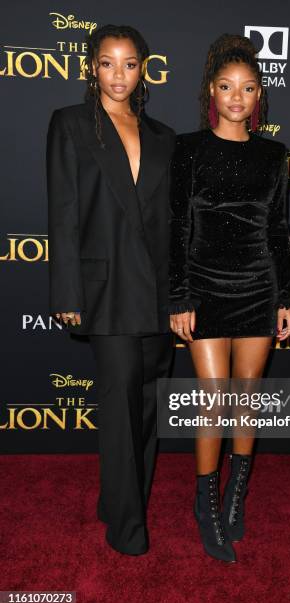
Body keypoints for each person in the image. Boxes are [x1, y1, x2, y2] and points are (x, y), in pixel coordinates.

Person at [168, 34, 290, 563]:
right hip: (203, 288)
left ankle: (235, 499)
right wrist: (179, 296)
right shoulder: (189, 149)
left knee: (246, 399)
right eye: (227, 87)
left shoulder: (274, 155)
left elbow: (279, 229)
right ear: (211, 93)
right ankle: (205, 502)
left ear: (259, 96)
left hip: (258, 290)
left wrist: (285, 297)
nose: (237, 97)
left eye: (248, 88)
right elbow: (178, 226)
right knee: (213, 398)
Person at [46, 24, 175, 555]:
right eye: (107, 62)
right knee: (120, 410)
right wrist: (67, 294)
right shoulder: (71, 124)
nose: (118, 74)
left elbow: (172, 224)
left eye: (128, 63)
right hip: (105, 290)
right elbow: (64, 212)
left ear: (143, 69)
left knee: (147, 409)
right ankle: (128, 529)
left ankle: (119, 501)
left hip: (159, 294)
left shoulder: (165, 137)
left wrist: (184, 298)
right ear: (91, 68)